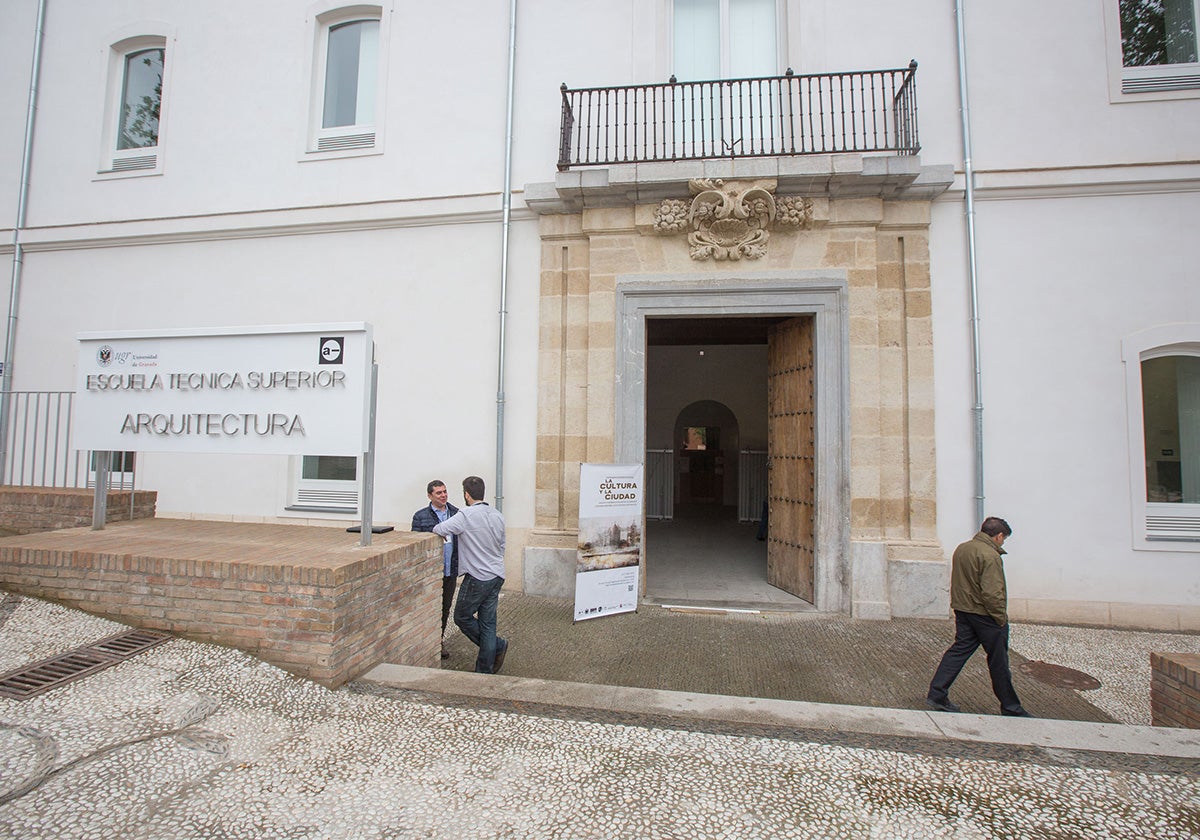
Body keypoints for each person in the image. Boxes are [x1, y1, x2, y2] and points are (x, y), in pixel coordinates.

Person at [926, 516, 1032, 717]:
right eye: (1003, 539)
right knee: (998, 662)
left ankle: (937, 693)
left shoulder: (963, 548)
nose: (1002, 543)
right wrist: (1000, 618)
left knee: (958, 651)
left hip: (964, 610)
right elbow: (992, 593)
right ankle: (1011, 707)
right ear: (998, 535)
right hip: (985, 615)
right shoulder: (990, 556)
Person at [433, 476, 509, 674]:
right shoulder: (496, 514)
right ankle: (484, 668)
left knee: (462, 617)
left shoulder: (465, 515)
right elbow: (502, 546)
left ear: (466, 494)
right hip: (497, 574)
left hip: (477, 577)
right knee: (488, 621)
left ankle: (498, 646)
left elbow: (439, 529)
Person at [412, 480, 459, 659]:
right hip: (431, 572)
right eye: (439, 493)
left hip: (449, 570)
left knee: (445, 608)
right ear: (430, 496)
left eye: (445, 491)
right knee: (428, 606)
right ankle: (425, 641)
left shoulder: (455, 513)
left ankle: (438, 641)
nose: (443, 495)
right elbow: (415, 543)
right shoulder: (420, 516)